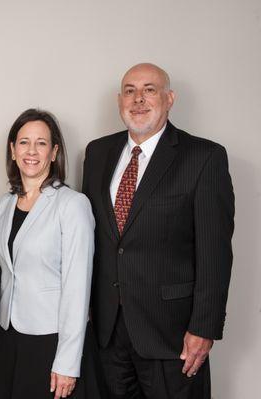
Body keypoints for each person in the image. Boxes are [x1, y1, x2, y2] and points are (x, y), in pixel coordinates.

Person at [82, 63, 235, 399]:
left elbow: (215, 253)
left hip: (173, 333)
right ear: (118, 100)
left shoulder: (203, 158)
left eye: (150, 89)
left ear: (169, 98)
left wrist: (203, 327)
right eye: (130, 90)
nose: (139, 99)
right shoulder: (97, 154)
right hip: (108, 331)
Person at [0, 109, 105, 399]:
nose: (32, 151)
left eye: (41, 143)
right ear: (12, 150)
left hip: (51, 341)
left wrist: (67, 362)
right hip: (9, 336)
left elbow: (78, 288)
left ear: (54, 152)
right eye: (24, 142)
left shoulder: (72, 205)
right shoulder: (3, 205)